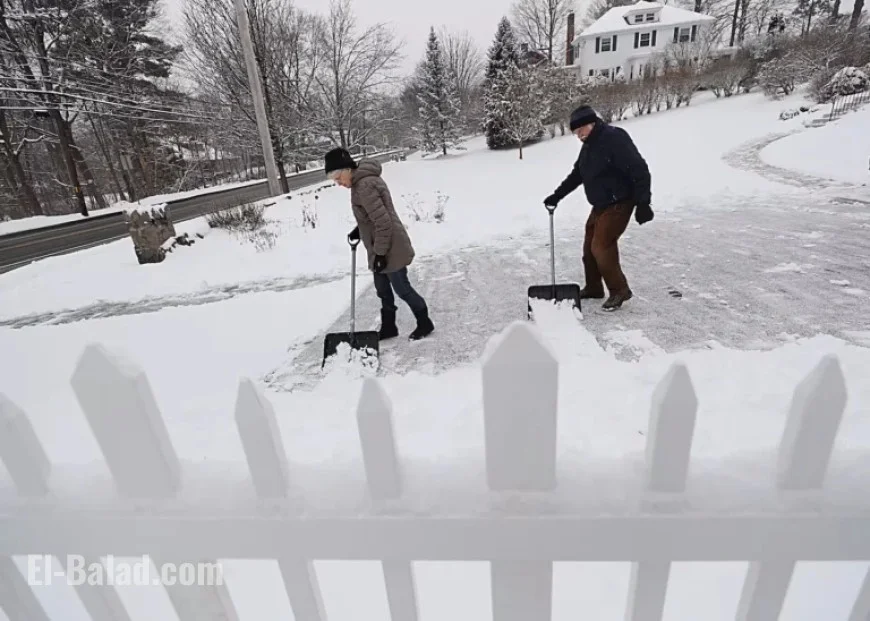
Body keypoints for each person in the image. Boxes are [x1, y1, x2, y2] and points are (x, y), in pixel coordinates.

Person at [544, 105, 653, 311]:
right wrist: (557, 195)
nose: (578, 136)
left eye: (579, 131)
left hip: (620, 202)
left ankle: (619, 290)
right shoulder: (589, 145)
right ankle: (594, 287)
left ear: (590, 124)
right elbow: (578, 174)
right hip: (600, 205)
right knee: (588, 248)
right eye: (575, 133)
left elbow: (640, 169)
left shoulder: (614, 138)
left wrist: (643, 203)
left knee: (601, 246)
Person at [324, 147, 435, 341]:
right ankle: (389, 326)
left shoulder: (364, 186)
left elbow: (384, 222)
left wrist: (381, 254)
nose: (339, 184)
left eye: (338, 178)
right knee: (382, 289)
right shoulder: (359, 184)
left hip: (390, 246)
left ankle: (425, 322)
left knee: (402, 289)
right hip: (379, 246)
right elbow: (373, 216)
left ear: (347, 170)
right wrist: (360, 228)